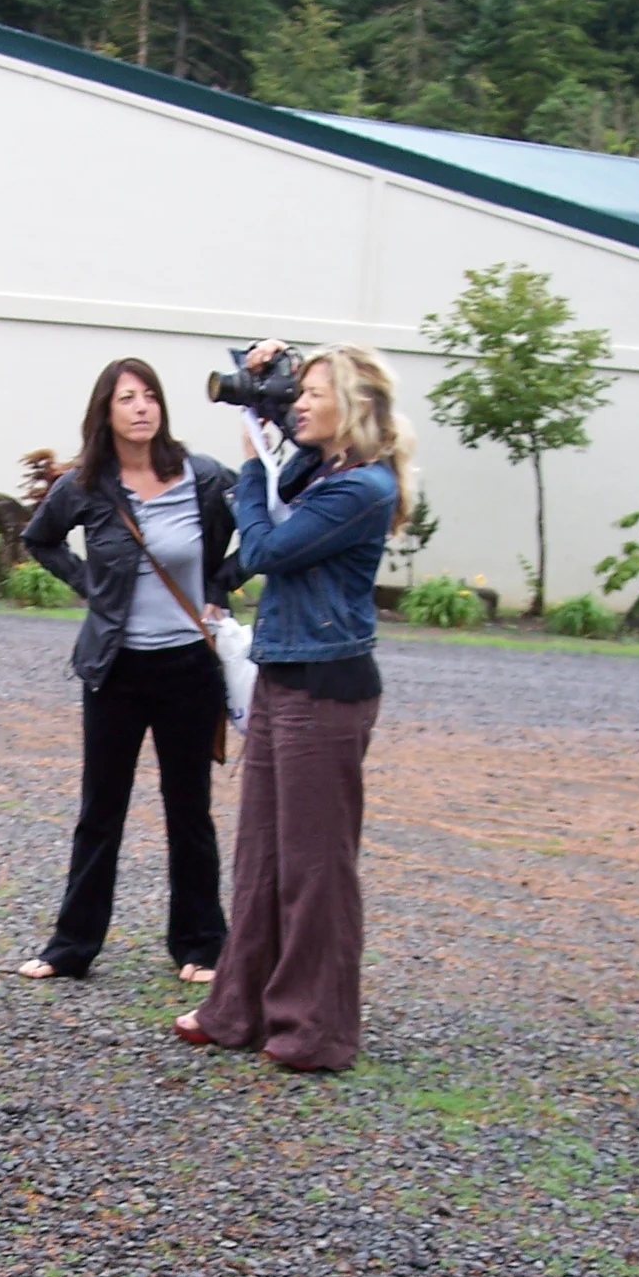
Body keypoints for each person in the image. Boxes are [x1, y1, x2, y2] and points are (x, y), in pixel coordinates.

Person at [176, 341, 412, 1073]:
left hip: (327, 686)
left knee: (315, 866)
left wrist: (251, 466)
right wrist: (263, 374)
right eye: (298, 391)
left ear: (356, 404)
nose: (299, 404)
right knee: (261, 856)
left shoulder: (363, 488)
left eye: (315, 392)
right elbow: (285, 430)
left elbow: (266, 550)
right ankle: (238, 1009)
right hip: (282, 673)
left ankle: (316, 1029)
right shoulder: (321, 471)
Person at [16, 357, 243, 983]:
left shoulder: (202, 476)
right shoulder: (87, 485)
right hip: (115, 668)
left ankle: (201, 945)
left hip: (189, 668)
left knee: (189, 811)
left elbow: (256, 528)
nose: (141, 407)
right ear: (106, 412)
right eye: (127, 398)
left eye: (150, 396)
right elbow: (40, 538)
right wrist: (90, 586)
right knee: (101, 811)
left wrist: (220, 584)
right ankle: (71, 947)